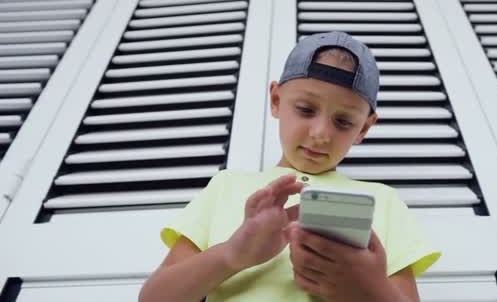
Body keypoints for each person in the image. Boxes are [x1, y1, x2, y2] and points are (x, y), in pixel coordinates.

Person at [139, 31, 441, 302]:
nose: (321, 133)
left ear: (364, 128)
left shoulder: (384, 201)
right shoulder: (225, 186)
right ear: (276, 99)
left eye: (344, 121)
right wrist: (233, 254)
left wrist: (368, 289)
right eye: (306, 110)